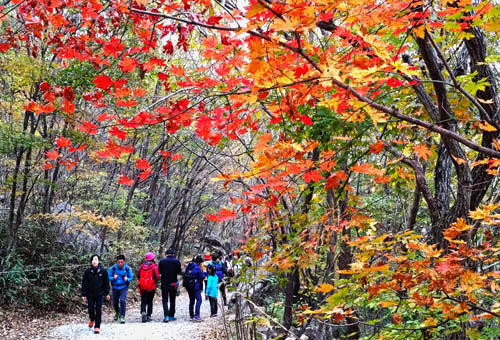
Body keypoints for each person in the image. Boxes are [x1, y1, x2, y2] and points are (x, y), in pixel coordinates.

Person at [81, 254, 110, 334]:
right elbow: (84, 283)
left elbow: (106, 283)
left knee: (98, 309)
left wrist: (107, 293)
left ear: (98, 261)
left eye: (96, 259)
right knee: (90, 309)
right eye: (93, 259)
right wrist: (83, 294)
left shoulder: (103, 271)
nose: (94, 261)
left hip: (100, 294)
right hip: (90, 293)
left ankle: (97, 326)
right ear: (91, 261)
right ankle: (92, 319)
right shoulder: (87, 271)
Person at [108, 254, 133, 324]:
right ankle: (117, 312)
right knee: (115, 302)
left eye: (121, 262)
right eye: (118, 262)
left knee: (122, 301)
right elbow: (108, 277)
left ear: (124, 262)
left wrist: (127, 279)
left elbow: (131, 277)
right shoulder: (112, 269)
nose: (120, 264)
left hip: (124, 287)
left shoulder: (127, 268)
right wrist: (113, 278)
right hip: (115, 287)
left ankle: (122, 316)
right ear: (116, 262)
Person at [158, 248, 182, 322]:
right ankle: (171, 315)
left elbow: (160, 271)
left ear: (166, 254)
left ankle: (166, 316)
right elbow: (179, 271)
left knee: (164, 300)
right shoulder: (177, 261)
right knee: (172, 299)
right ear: (173, 254)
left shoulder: (162, 261)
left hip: (164, 283)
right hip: (173, 283)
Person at [137, 252, 160, 323]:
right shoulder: (154, 266)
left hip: (143, 286)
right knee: (150, 301)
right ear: (152, 258)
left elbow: (138, 275)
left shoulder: (142, 266)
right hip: (151, 286)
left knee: (143, 300)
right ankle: (149, 315)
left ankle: (143, 311)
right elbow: (157, 277)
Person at [184, 255, 206, 321]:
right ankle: (197, 315)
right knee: (199, 300)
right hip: (196, 286)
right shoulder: (197, 267)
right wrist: (205, 272)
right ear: (199, 262)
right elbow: (201, 277)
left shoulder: (189, 266)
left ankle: (191, 315)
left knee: (191, 300)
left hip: (188, 286)